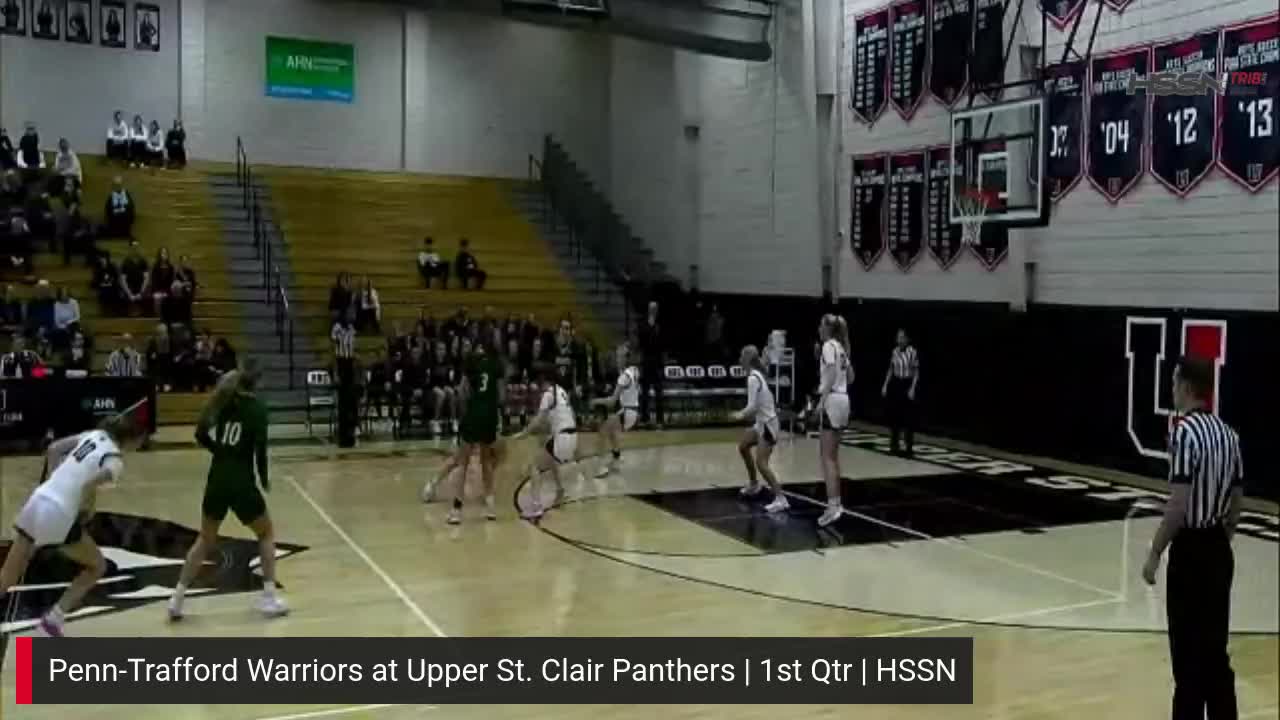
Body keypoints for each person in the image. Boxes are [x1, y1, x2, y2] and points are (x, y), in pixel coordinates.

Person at [1142, 356, 1244, 720]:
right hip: (1218, 549)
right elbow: (1236, 504)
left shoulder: (1183, 433)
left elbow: (1178, 504)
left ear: (1186, 386)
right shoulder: (1230, 435)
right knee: (1215, 655)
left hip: (1191, 552)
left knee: (1187, 660)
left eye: (1173, 383)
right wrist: (1221, 540)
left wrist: (1156, 551)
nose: (1171, 390)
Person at [0, 411, 148, 636]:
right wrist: (87, 509)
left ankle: (51, 623)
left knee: (8, 575)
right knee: (97, 566)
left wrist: (52, 479)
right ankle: (51, 623)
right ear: (134, 440)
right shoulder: (115, 461)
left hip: (39, 499)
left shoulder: (94, 435)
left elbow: (54, 449)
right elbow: (89, 484)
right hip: (59, 513)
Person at [168, 362, 289, 620]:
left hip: (216, 479)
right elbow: (260, 452)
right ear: (258, 382)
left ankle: (177, 599)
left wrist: (219, 451)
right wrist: (265, 480)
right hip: (241, 482)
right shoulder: (257, 409)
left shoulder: (223, 403)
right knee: (266, 533)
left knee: (204, 539)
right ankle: (268, 597)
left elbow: (200, 434)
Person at [426, 336, 505, 523]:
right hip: (491, 415)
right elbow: (501, 396)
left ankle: (456, 510)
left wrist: (468, 409)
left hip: (474, 414)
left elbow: (462, 393)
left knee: (462, 462)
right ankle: (491, 507)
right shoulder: (497, 364)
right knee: (486, 462)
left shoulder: (471, 362)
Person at [732, 344, 789, 512]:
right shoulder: (757, 374)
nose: (740, 360)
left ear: (748, 359)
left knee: (761, 463)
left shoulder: (752, 378)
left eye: (742, 356)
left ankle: (781, 498)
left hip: (769, 426)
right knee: (743, 447)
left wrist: (739, 415)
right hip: (761, 424)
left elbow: (752, 407)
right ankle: (754, 485)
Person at [519, 367, 580, 520]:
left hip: (562, 438)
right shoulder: (562, 392)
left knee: (535, 466)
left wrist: (524, 433)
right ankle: (560, 491)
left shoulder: (548, 394)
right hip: (572, 436)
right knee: (551, 459)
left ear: (544, 381)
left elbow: (539, 420)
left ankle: (536, 506)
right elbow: (568, 415)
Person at [815, 314, 852, 527]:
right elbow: (851, 377)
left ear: (828, 328)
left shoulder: (829, 346)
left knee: (826, 457)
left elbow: (829, 372)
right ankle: (837, 503)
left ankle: (832, 506)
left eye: (821, 324)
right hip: (844, 399)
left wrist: (822, 399)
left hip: (832, 399)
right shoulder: (842, 348)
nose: (819, 328)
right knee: (834, 457)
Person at [590, 343, 639, 479]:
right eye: (617, 355)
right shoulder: (634, 370)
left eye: (620, 356)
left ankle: (600, 467)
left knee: (602, 431)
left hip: (628, 412)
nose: (617, 358)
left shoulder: (624, 376)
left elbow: (612, 401)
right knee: (611, 429)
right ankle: (617, 458)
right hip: (631, 411)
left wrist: (596, 401)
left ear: (626, 358)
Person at [881, 328, 919, 456]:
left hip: (906, 383)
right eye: (898, 337)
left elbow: (916, 372)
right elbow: (891, 369)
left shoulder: (912, 352)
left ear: (907, 339)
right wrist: (885, 385)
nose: (899, 339)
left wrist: (912, 388)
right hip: (896, 384)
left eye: (902, 337)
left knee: (908, 418)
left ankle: (909, 448)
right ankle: (894, 446)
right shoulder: (895, 351)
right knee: (895, 417)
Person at [331, 308, 358, 447]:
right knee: (343, 403)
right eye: (350, 313)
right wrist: (336, 373)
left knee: (351, 401)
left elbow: (353, 349)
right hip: (341, 364)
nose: (352, 315)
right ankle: (342, 436)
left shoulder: (352, 329)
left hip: (350, 364)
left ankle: (351, 432)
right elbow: (334, 350)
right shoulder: (337, 328)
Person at [638, 301, 664, 429]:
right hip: (647, 361)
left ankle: (660, 421)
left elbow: (662, 343)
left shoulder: (660, 324)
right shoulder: (643, 324)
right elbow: (642, 341)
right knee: (645, 393)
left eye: (656, 308)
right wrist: (650, 327)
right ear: (648, 310)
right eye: (652, 308)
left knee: (659, 393)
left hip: (657, 362)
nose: (654, 310)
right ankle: (644, 419)